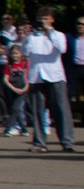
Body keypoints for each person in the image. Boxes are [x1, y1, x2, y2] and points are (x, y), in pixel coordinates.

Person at [22, 10, 74, 151]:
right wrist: (26, 37)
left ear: (52, 19)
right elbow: (25, 53)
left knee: (61, 110)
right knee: (38, 111)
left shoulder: (58, 35)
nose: (42, 21)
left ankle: (67, 142)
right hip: (36, 77)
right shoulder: (32, 37)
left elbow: (62, 49)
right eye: (40, 18)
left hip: (55, 76)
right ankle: (39, 143)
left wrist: (49, 31)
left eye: (45, 18)